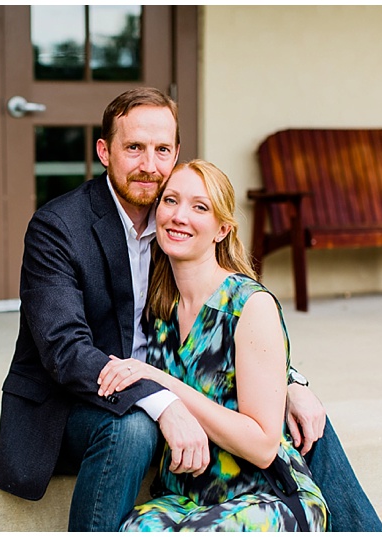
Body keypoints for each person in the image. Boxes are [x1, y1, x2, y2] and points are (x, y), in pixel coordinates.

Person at [0, 87, 382, 532]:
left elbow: (234, 309)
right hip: (77, 402)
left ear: (176, 152)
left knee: (303, 420)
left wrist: (290, 380)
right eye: (134, 148)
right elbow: (65, 350)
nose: (149, 165)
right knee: (135, 425)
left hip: (173, 396)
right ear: (104, 151)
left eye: (162, 150)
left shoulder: (171, 224)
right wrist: (162, 402)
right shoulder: (59, 228)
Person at [99, 160, 328, 530]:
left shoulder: (249, 305)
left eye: (199, 207)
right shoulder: (158, 308)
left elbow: (262, 445)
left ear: (222, 229)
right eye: (170, 201)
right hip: (184, 498)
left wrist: (163, 382)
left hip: (263, 498)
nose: (179, 216)